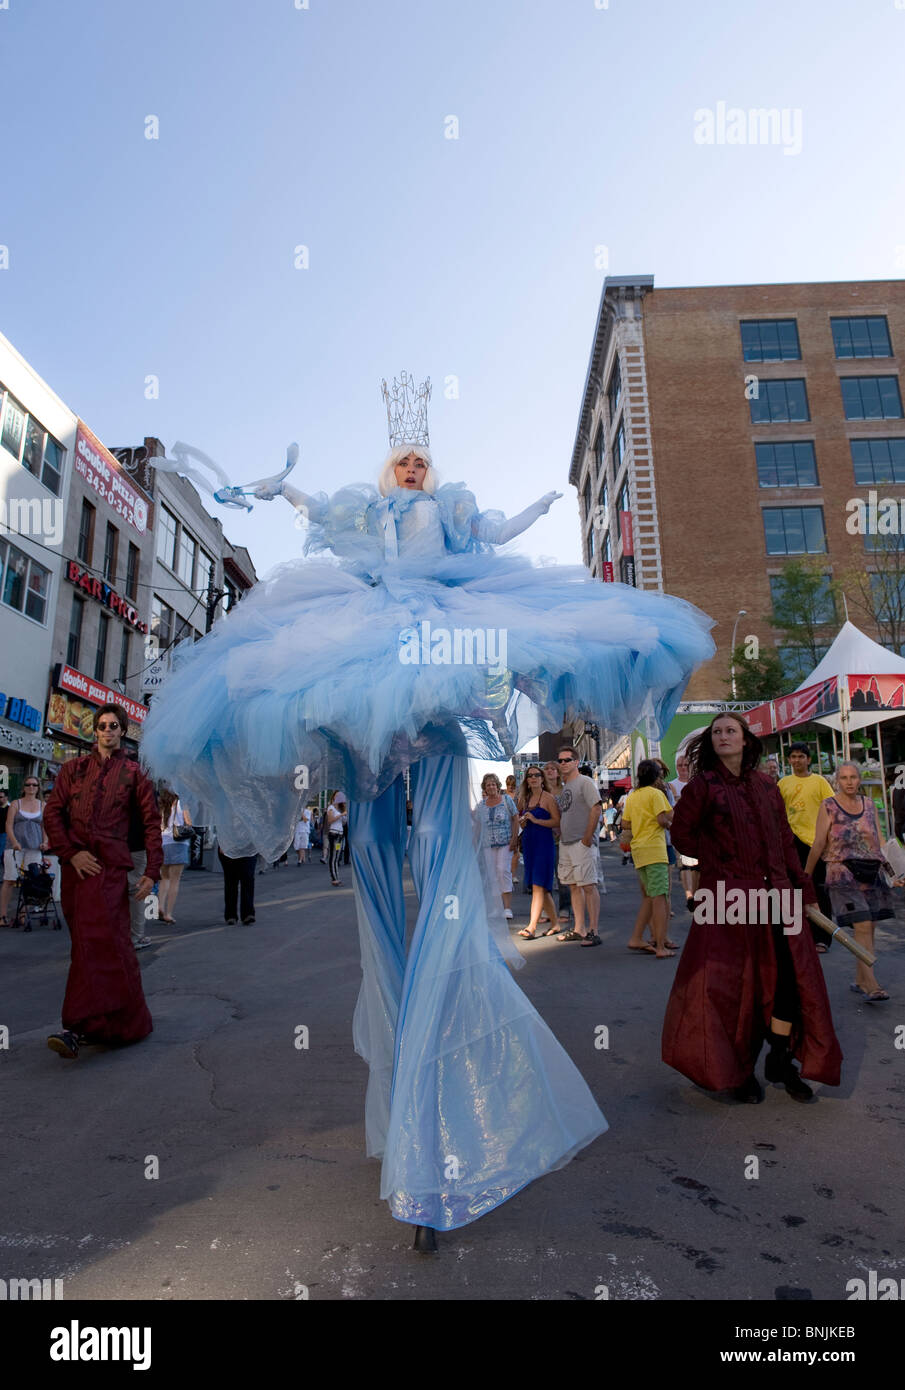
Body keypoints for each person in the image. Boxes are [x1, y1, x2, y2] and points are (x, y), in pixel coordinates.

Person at [141, 382, 713, 1249]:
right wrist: (277, 490)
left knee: (441, 829)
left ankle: (441, 1074)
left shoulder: (450, 512)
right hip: (371, 643)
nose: (413, 466)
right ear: (386, 469)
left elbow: (499, 536)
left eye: (422, 459)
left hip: (442, 644)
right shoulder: (367, 512)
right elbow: (314, 512)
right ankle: (410, 1038)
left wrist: (537, 506)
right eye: (402, 459)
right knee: (372, 817)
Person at [662, 713, 842, 1104]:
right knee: (733, 989)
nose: (724, 736)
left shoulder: (767, 786)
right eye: (717, 732)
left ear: (745, 740)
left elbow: (782, 840)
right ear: (711, 742)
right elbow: (683, 838)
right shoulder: (701, 787)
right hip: (727, 898)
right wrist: (721, 859)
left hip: (778, 895)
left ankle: (778, 1059)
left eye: (731, 730)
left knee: (790, 984)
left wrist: (804, 890)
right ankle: (738, 1070)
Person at [43, 704, 163, 1060]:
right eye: (101, 725)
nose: (107, 730)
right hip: (76, 872)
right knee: (86, 944)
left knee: (102, 943)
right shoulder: (72, 769)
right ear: (94, 731)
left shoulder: (135, 774)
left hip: (110, 871)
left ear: (122, 731)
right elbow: (52, 814)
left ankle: (75, 1026)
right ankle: (117, 1023)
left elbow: (152, 823)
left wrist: (152, 871)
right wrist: (70, 853)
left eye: (114, 726)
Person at [806, 761, 901, 1003]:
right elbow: (818, 843)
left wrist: (894, 873)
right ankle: (872, 985)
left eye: (853, 777)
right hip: (842, 871)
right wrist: (804, 876)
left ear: (859, 780)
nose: (849, 782)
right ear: (837, 780)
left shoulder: (869, 805)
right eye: (844, 777)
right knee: (862, 923)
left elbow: (878, 841)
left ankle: (860, 979)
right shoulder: (828, 806)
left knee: (869, 927)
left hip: (872, 871)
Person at [778, 742, 835, 952]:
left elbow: (832, 811)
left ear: (808, 760)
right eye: (793, 756)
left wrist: (829, 843)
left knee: (819, 890)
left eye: (801, 756)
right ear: (789, 760)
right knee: (792, 891)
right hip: (790, 844)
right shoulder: (783, 783)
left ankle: (823, 937)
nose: (797, 760)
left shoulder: (820, 782)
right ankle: (799, 935)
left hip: (815, 844)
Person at [622, 760, 675, 959]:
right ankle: (661, 945)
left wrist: (641, 821)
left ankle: (636, 937)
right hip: (655, 848)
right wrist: (669, 824)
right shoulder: (656, 794)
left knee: (648, 897)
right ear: (656, 776)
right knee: (660, 897)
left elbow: (626, 823)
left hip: (639, 849)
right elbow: (664, 818)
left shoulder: (633, 796)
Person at [554, 748, 603, 947]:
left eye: (567, 760)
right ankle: (579, 928)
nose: (563, 763)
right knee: (573, 885)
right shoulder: (566, 786)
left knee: (588, 885)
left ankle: (593, 930)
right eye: (560, 760)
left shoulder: (585, 782)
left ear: (576, 762)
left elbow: (597, 807)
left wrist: (587, 836)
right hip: (566, 843)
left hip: (581, 842)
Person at [514, 765, 561, 939]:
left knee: (538, 886)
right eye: (530, 776)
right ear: (526, 780)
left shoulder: (548, 798)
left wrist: (536, 820)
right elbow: (519, 821)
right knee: (541, 887)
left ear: (542, 779)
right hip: (529, 844)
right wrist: (523, 822)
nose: (533, 778)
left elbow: (556, 822)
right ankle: (555, 923)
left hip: (544, 844)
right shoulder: (524, 799)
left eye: (536, 775)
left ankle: (532, 926)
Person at [1, 775, 50, 927]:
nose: (31, 787)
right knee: (10, 879)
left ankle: (23, 915)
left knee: (32, 880)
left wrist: (45, 842)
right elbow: (8, 825)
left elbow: (45, 827)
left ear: (38, 788)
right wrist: (14, 842)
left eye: (34, 785)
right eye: (28, 785)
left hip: (34, 847)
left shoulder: (43, 805)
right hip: (15, 847)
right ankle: (2, 916)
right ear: (23, 788)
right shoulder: (16, 804)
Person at [473, 773, 519, 919]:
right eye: (488, 785)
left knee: (502, 871)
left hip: (505, 843)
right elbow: (477, 824)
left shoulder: (506, 800)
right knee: (492, 874)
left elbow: (515, 817)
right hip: (488, 845)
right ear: (484, 788)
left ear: (498, 786)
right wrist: (476, 842)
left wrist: (514, 838)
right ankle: (496, 907)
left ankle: (507, 907)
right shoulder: (481, 805)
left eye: (493, 784)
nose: (491, 787)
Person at [669, 751, 699, 911]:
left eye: (685, 765)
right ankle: (689, 895)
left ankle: (696, 893)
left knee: (697, 866)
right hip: (683, 829)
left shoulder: (696, 783)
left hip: (699, 829)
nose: (683, 768)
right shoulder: (673, 785)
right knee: (686, 865)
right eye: (680, 765)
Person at [158, 790, 192, 924]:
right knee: (175, 881)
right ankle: (168, 913)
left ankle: (159, 905)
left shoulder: (162, 805)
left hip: (163, 843)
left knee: (164, 878)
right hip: (178, 844)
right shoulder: (181, 803)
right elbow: (188, 822)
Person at [218, 845, 257, 925]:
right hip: (229, 848)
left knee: (248, 878)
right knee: (231, 881)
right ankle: (231, 915)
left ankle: (248, 914)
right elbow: (221, 831)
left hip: (248, 848)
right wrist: (222, 844)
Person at [325, 794, 347, 885]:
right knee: (333, 856)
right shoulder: (331, 808)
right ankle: (334, 878)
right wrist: (341, 815)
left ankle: (336, 877)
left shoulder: (341, 809)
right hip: (334, 834)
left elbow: (343, 823)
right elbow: (330, 820)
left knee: (337, 856)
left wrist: (344, 816)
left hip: (340, 834)